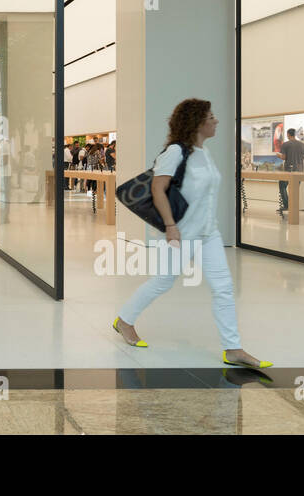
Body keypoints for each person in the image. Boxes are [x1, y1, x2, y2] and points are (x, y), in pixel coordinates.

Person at [112, 98, 272, 370]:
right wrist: (171, 226)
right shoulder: (176, 152)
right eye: (211, 116)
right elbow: (157, 190)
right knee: (163, 282)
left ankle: (233, 349)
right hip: (182, 233)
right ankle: (124, 321)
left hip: (209, 233)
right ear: (197, 122)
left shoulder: (204, 153)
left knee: (223, 288)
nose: (216, 120)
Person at [273, 128, 304, 216]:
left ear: (288, 134)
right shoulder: (302, 144)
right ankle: (293, 209)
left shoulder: (286, 144)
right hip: (300, 171)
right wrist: (300, 157)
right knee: (295, 190)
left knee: (282, 186)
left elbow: (284, 157)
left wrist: (278, 155)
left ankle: (287, 205)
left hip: (289, 170)